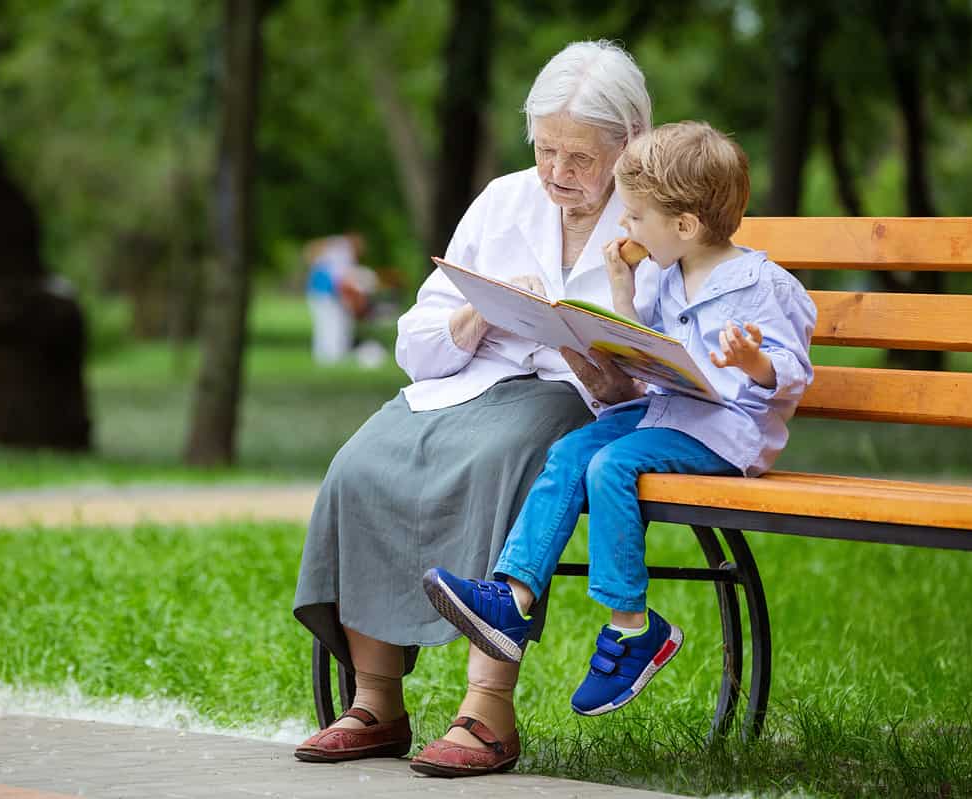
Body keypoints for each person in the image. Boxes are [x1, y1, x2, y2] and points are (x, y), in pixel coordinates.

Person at [293, 40, 660, 776]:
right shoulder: (503, 199)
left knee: (505, 459)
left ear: (630, 143)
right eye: (546, 150)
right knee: (362, 461)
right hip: (467, 382)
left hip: (573, 400)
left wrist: (589, 352)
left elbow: (668, 374)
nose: (557, 173)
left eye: (579, 159)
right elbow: (416, 340)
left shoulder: (657, 218)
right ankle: (376, 699)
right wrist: (480, 316)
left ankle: (486, 708)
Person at [423, 122, 817, 721]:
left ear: (684, 225)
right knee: (573, 452)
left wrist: (754, 361)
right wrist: (619, 290)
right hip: (666, 412)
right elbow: (644, 344)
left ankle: (633, 628)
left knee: (612, 465)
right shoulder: (667, 271)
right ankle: (512, 594)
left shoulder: (763, 286)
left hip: (725, 432)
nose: (624, 228)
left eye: (633, 217)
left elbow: (792, 372)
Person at [304, 233, 378, 364]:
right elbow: (341, 279)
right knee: (330, 324)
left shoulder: (336, 249)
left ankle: (328, 355)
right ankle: (331, 355)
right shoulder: (343, 251)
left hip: (323, 292)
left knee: (328, 325)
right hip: (325, 293)